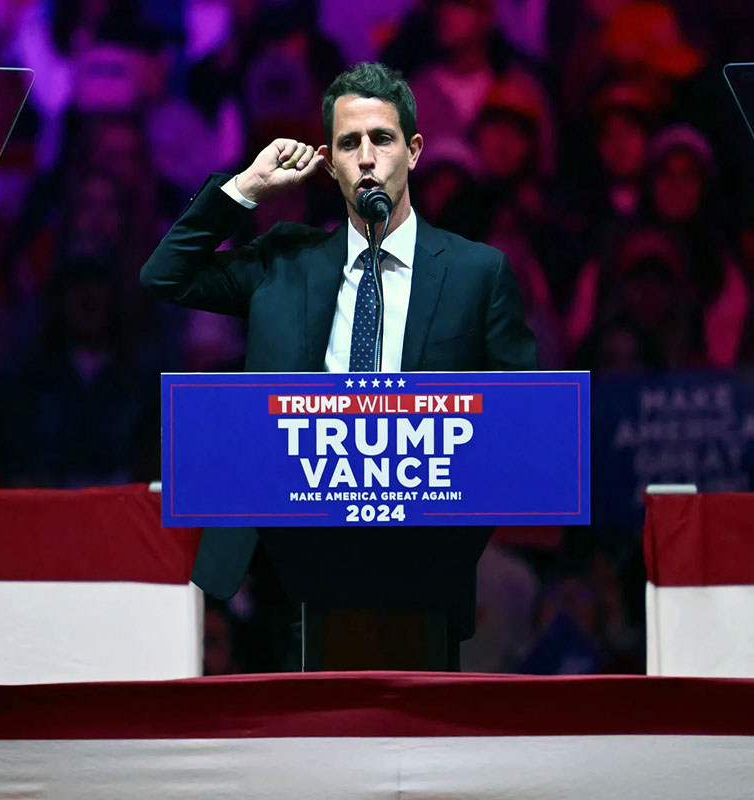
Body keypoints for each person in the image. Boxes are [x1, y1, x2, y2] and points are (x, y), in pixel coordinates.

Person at [140, 61, 538, 670]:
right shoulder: (286, 261)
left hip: (421, 565)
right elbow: (165, 275)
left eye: (382, 138)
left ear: (415, 149)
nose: (367, 157)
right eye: (349, 144)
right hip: (286, 561)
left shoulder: (477, 274)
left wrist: (454, 542)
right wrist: (246, 187)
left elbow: (522, 425)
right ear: (330, 163)